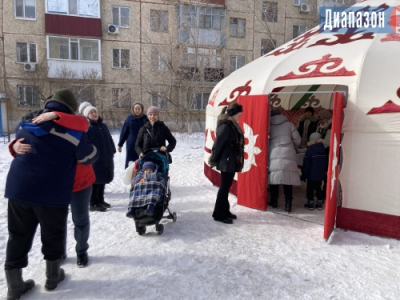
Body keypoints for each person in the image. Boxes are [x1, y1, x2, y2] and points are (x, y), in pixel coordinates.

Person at [4, 89, 98, 299]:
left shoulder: (28, 123)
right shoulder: (73, 133)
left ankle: (14, 285)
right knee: (53, 233)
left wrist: (14, 145)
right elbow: (90, 155)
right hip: (51, 191)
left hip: (19, 189)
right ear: (72, 110)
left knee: (18, 236)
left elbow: (20, 141)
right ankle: (52, 277)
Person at [208, 103, 244, 224]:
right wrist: (214, 158)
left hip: (231, 160)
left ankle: (225, 211)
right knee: (224, 188)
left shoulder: (232, 124)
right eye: (238, 115)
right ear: (232, 114)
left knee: (226, 187)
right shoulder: (226, 126)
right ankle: (219, 214)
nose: (239, 118)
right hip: (226, 160)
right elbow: (218, 144)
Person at [268, 108, 301, 213]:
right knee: (288, 178)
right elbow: (298, 141)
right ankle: (288, 204)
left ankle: (274, 202)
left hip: (273, 152)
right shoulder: (289, 124)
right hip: (288, 153)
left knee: (274, 177)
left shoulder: (268, 125)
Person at [84, 106, 116, 212]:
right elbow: (85, 143)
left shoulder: (103, 125)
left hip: (105, 157)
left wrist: (112, 149)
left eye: (95, 111)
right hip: (94, 158)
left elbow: (109, 139)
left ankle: (100, 200)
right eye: (91, 112)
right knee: (95, 180)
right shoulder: (87, 127)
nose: (94, 113)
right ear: (87, 115)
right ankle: (93, 203)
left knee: (103, 179)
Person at [300, 133, 327, 210]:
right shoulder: (324, 150)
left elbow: (306, 164)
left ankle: (310, 203)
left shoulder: (310, 151)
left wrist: (304, 174)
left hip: (311, 174)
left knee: (310, 189)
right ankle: (319, 202)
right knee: (318, 187)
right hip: (320, 173)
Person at [118, 103, 147, 168]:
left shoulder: (146, 118)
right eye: (136, 109)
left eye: (139, 109)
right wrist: (120, 144)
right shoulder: (129, 118)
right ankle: (129, 175)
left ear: (142, 109)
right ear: (133, 109)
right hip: (131, 145)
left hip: (143, 144)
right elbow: (124, 132)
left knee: (142, 162)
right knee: (130, 162)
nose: (137, 110)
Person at [315, 109, 332, 200]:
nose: (321, 120)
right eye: (320, 118)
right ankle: (319, 191)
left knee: (326, 174)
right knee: (319, 172)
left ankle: (325, 191)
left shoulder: (330, 128)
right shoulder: (319, 126)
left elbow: (327, 143)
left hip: (327, 154)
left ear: (327, 118)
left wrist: (318, 141)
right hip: (320, 153)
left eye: (323, 118)